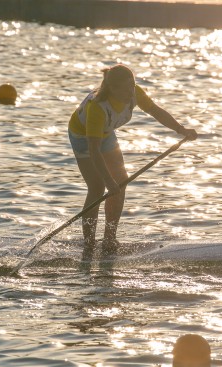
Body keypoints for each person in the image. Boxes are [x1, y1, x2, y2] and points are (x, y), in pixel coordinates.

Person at [67, 64, 197, 258]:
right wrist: (108, 182)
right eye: (126, 88)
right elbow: (94, 151)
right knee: (97, 187)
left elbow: (156, 111)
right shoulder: (97, 108)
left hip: (106, 133)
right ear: (112, 89)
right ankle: (89, 244)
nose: (131, 91)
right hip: (83, 137)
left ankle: (110, 239)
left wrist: (181, 130)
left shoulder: (134, 92)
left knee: (121, 181)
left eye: (132, 85)